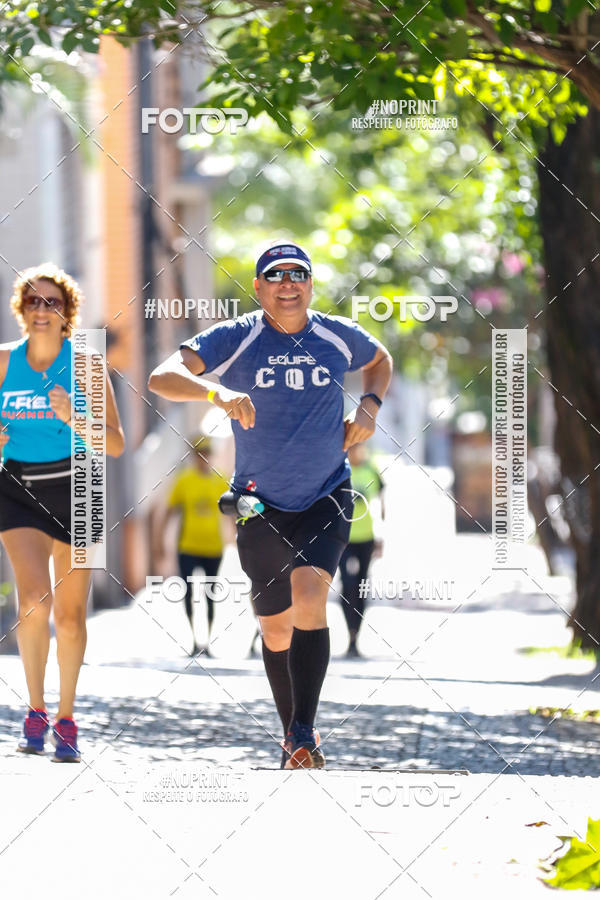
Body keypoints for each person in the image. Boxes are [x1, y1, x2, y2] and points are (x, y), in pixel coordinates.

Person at [148, 239, 392, 769]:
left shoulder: (334, 335)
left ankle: (305, 732)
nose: (288, 283)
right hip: (257, 503)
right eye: (276, 276)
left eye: (297, 274)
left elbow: (380, 361)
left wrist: (369, 406)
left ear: (310, 284)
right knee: (275, 628)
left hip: (326, 492)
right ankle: (291, 731)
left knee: (310, 596)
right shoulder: (236, 338)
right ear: (258, 287)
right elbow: (161, 376)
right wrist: (217, 394)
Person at [0, 264, 125, 761]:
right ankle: (34, 710)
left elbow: (114, 444)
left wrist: (73, 416)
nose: (41, 310)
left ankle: (66, 717)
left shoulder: (88, 367)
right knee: (33, 600)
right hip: (17, 485)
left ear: (67, 313)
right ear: (21, 311)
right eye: (32, 302)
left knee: (71, 617)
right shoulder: (5, 362)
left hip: (81, 486)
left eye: (51, 302)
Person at [154, 435, 229, 657]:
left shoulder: (220, 480)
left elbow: (232, 512)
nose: (203, 458)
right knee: (188, 593)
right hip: (187, 546)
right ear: (194, 456)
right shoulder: (184, 480)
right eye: (199, 453)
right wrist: (159, 542)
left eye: (206, 453)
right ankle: (194, 640)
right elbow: (168, 511)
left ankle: (207, 641)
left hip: (213, 547)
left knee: (211, 595)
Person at [338, 443, 384, 658]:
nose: (357, 451)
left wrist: (381, 536)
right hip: (342, 538)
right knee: (346, 584)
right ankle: (349, 630)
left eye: (360, 447)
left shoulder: (371, 471)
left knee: (361, 587)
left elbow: (381, 507)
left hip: (366, 538)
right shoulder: (339, 470)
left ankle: (356, 637)